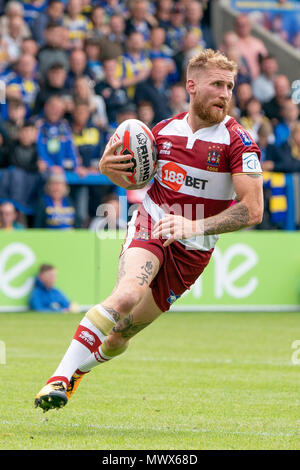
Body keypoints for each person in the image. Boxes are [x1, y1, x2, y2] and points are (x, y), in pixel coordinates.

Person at [34, 49, 264, 412]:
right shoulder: (159, 133)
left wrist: (194, 225)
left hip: (193, 249)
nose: (225, 93)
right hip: (152, 223)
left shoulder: (239, 142)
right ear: (191, 85)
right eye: (217, 84)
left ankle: (78, 374)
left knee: (118, 337)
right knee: (125, 295)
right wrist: (108, 168)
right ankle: (59, 376)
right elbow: (129, 175)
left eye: (230, 86)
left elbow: (253, 210)